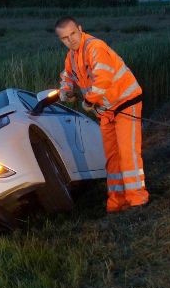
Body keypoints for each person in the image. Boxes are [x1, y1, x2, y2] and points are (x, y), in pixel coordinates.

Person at [55, 16, 149, 212]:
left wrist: (88, 101)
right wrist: (65, 91)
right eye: (65, 38)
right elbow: (67, 76)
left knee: (127, 153)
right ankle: (116, 202)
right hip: (106, 111)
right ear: (61, 40)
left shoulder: (94, 46)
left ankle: (137, 200)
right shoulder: (72, 56)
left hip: (125, 104)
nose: (70, 39)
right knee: (112, 157)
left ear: (80, 28)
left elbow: (103, 79)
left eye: (73, 33)